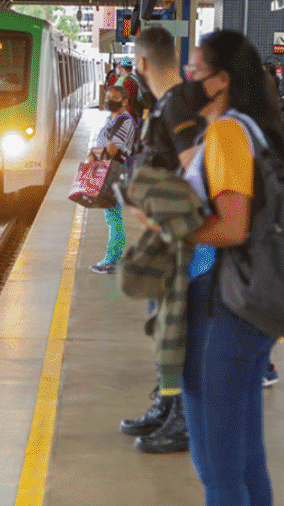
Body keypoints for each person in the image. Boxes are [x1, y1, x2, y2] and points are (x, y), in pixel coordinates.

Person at [127, 28, 284, 506]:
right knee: (247, 463)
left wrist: (165, 219)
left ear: (219, 80)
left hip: (218, 307)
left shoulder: (225, 134)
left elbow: (231, 226)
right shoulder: (252, 133)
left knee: (218, 468)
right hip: (245, 310)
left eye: (196, 70)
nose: (187, 79)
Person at [119, 27, 211, 455]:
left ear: (141, 64)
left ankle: (183, 420)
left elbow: (197, 175)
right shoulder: (171, 104)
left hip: (182, 241)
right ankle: (166, 402)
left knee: (179, 330)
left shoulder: (178, 105)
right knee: (165, 327)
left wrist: (167, 212)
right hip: (167, 234)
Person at [85, 85, 136, 274]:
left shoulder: (124, 121)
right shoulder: (112, 119)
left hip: (115, 169)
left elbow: (112, 150)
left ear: (124, 102)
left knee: (113, 215)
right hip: (108, 168)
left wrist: (93, 152)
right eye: (107, 96)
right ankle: (113, 257)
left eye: (114, 97)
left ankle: (112, 259)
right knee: (112, 214)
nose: (109, 100)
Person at [117, 58, 143, 122]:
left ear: (122, 67)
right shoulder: (135, 78)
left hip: (130, 114)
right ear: (131, 67)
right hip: (138, 112)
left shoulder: (126, 81)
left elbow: (126, 100)